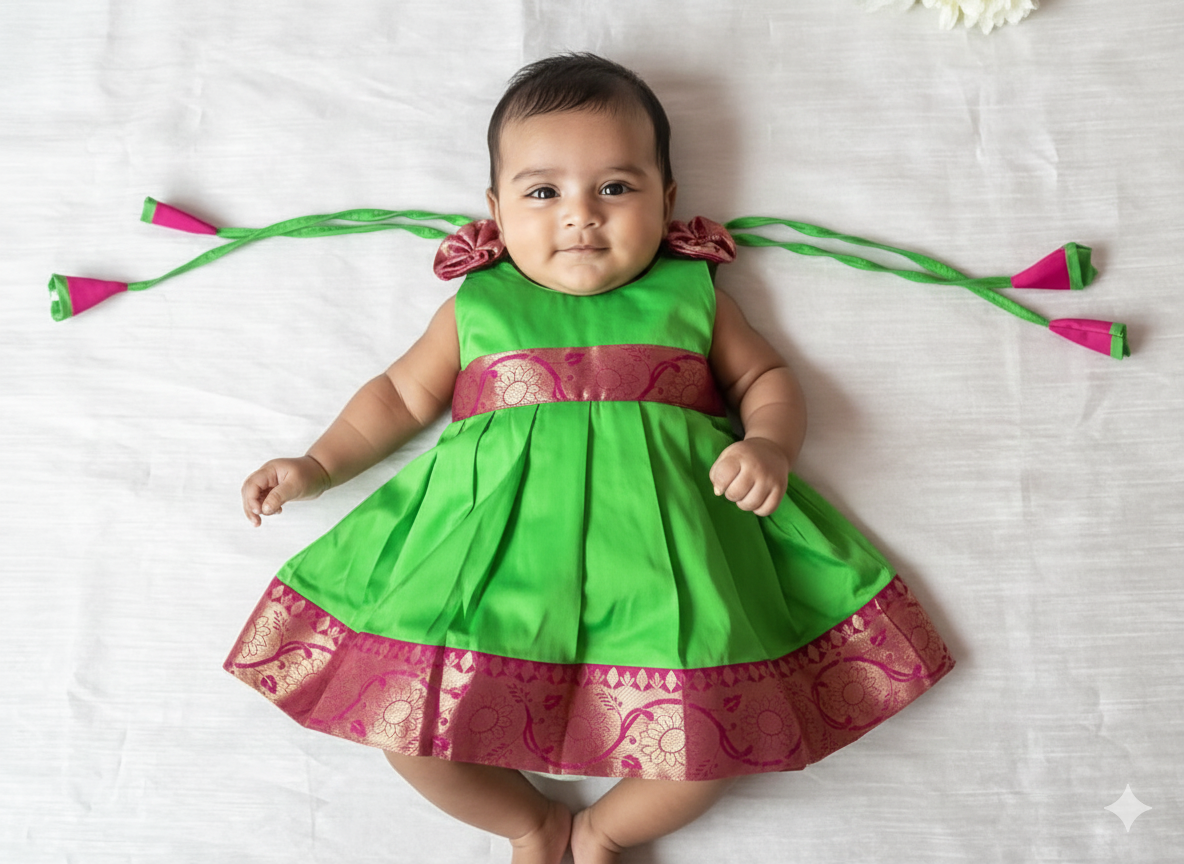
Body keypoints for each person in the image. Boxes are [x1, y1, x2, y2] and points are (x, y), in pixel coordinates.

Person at [230, 53, 953, 864]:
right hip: (483, 566)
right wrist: (318, 464)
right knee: (405, 722)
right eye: (543, 193)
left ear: (667, 201)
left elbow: (765, 378)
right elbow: (399, 398)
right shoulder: (479, 305)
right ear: (496, 211)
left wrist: (768, 443)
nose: (580, 217)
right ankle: (530, 824)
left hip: (668, 568)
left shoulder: (692, 296)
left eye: (614, 188)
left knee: (717, 731)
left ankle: (606, 831)